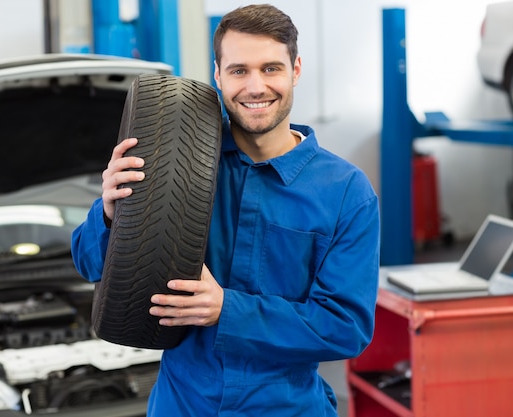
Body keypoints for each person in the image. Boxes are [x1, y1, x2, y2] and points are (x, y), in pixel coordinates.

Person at [72, 3, 380, 416]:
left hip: (285, 406)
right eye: (239, 71)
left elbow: (346, 327)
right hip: (182, 403)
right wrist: (111, 213)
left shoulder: (345, 192)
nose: (255, 87)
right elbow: (89, 263)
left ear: (296, 70)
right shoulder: (174, 164)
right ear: (218, 75)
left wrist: (226, 310)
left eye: (271, 68)